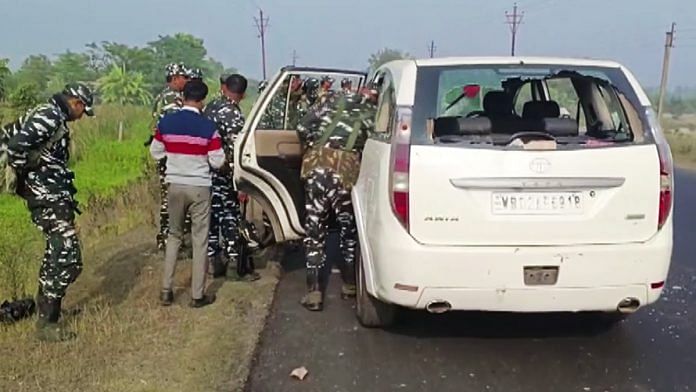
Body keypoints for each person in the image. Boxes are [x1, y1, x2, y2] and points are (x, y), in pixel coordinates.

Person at [4, 83, 94, 341]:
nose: (81, 117)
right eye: (83, 110)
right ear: (76, 102)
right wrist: (26, 176)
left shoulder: (52, 115)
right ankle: (46, 324)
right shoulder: (49, 115)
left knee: (56, 251)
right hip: (45, 197)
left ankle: (48, 312)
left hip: (52, 195)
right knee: (68, 257)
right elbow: (17, 147)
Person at [296, 84, 379, 311]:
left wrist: (313, 145)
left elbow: (302, 126)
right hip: (346, 174)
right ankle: (350, 285)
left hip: (316, 167)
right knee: (348, 230)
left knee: (314, 229)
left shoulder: (331, 101)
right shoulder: (374, 113)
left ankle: (314, 292)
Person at [150, 79, 223, 308]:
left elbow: (156, 152)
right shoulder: (208, 127)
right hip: (200, 187)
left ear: (182, 97)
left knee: (174, 236)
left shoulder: (166, 122)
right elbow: (217, 161)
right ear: (202, 100)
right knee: (199, 239)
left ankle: (166, 290)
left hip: (174, 185)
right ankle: (197, 295)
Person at [204, 74, 260, 281]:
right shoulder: (234, 116)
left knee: (211, 218)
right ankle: (235, 264)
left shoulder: (210, 108)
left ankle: (212, 262)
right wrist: (242, 184)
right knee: (230, 218)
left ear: (224, 87)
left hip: (205, 173)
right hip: (225, 175)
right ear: (243, 95)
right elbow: (237, 151)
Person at [148, 63, 191, 251]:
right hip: (170, 157)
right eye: (184, 77)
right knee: (170, 199)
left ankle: (169, 237)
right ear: (175, 78)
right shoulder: (171, 99)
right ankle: (167, 239)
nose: (187, 81)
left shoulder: (165, 96)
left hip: (167, 155)